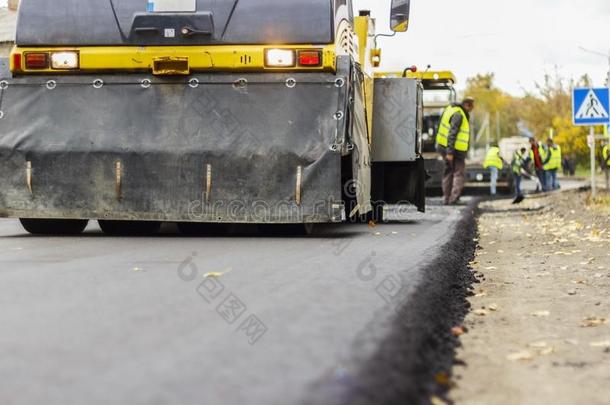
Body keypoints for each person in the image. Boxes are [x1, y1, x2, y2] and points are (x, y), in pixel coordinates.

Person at [436, 97, 475, 205]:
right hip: (455, 150)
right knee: (459, 173)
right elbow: (452, 134)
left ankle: (446, 198)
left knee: (448, 171)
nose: (472, 109)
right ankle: (453, 198)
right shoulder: (459, 114)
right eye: (472, 106)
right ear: (467, 105)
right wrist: (450, 152)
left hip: (443, 146)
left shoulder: (450, 109)